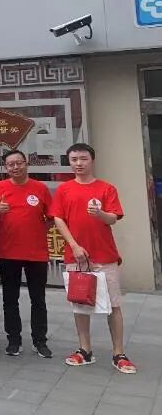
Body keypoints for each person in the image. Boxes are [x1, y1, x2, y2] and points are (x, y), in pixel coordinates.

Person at [50, 143, 136, 374]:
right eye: (74, 159)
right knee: (80, 304)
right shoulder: (64, 189)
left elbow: (113, 218)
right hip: (76, 256)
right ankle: (85, 350)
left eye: (83, 158)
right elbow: (58, 218)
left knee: (113, 305)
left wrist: (99, 214)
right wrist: (74, 245)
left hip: (104, 255)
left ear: (92, 160)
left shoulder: (106, 188)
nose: (78, 163)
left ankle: (119, 353)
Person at [0, 149, 53, 358]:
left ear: (26, 164)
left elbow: (51, 217)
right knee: (10, 299)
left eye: (19, 163)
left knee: (38, 299)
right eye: (10, 164)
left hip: (37, 253)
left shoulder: (40, 188)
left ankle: (40, 341)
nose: (15, 167)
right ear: (6, 168)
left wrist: (39, 231)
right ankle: (13, 340)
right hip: (9, 252)